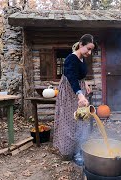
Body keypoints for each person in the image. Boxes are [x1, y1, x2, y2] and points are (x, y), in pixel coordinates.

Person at [53, 34, 97, 166]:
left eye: (91, 50)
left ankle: (78, 150)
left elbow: (80, 76)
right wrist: (80, 95)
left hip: (79, 92)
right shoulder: (70, 59)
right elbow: (72, 78)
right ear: (81, 44)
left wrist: (86, 84)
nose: (89, 52)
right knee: (69, 122)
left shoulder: (82, 58)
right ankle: (69, 152)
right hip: (70, 93)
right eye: (88, 49)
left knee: (81, 122)